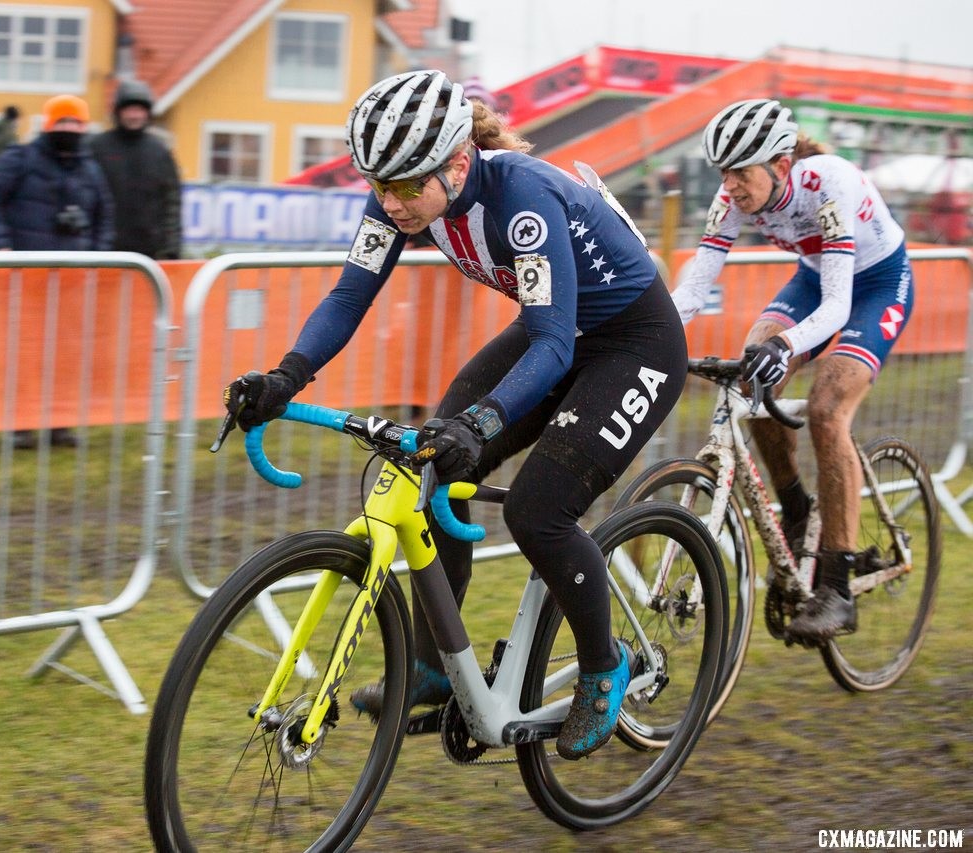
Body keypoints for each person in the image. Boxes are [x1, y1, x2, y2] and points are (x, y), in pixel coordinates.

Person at [223, 70, 687, 760]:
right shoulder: (400, 196)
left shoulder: (523, 199)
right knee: (426, 463)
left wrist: (484, 423)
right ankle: (435, 668)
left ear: (458, 163)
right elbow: (350, 298)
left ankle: (603, 664)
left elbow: (555, 344)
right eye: (375, 184)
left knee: (537, 511)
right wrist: (285, 376)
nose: (390, 202)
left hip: (634, 343)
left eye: (406, 186)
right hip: (552, 335)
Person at [672, 99, 913, 644]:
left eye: (740, 172)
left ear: (780, 166)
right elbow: (694, 286)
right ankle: (800, 512)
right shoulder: (730, 197)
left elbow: (837, 307)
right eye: (722, 173)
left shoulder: (829, 185)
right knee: (748, 378)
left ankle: (837, 585)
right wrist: (652, 333)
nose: (729, 186)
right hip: (814, 280)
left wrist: (785, 344)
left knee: (828, 409)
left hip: (874, 285)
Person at [0, 94, 115, 450]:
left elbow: (105, 215)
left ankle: (59, 424)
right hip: (25, 276)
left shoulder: (90, 168)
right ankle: (22, 426)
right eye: (62, 122)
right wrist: (2, 244)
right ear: (48, 125)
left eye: (76, 123)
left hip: (71, 279)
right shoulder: (20, 158)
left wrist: (98, 257)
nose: (69, 129)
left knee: (66, 354)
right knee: (24, 352)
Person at [89, 79, 182, 259]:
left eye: (139, 110)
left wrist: (172, 247)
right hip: (104, 251)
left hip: (149, 253)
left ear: (147, 113)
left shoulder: (159, 151)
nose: (134, 115)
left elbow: (172, 202)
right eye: (129, 109)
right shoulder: (98, 147)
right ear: (118, 112)